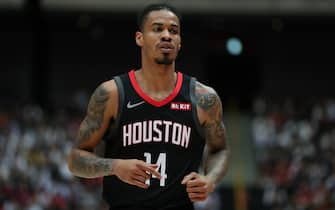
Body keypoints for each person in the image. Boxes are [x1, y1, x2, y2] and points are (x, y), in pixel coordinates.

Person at [67, 3, 230, 210]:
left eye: (173, 31)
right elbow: (75, 159)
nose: (167, 36)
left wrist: (211, 179)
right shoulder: (112, 94)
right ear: (139, 38)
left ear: (179, 43)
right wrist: (115, 166)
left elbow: (220, 149)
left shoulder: (203, 98)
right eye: (157, 28)